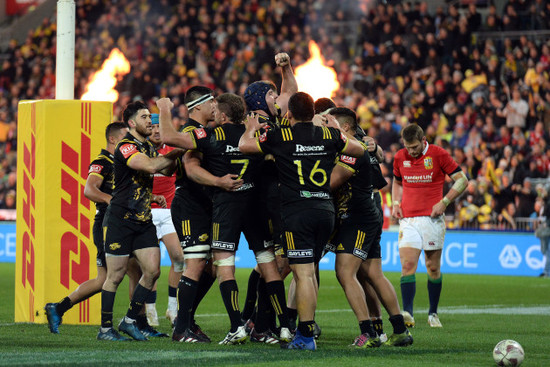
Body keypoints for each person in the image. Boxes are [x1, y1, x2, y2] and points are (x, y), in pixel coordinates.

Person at [239, 91, 366, 350]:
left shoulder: (281, 135)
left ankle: (305, 336)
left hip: (297, 212)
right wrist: (337, 129)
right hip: (325, 210)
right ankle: (305, 332)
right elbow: (359, 150)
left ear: (289, 114)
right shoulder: (329, 134)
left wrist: (249, 129)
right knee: (308, 274)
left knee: (303, 274)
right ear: (314, 114)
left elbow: (244, 146)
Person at [184, 93, 293, 345]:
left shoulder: (213, 136)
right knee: (268, 266)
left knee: (225, 268)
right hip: (255, 206)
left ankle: (237, 327)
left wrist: (165, 112)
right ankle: (285, 327)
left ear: (222, 115)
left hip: (227, 207)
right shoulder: (254, 135)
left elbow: (179, 148)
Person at [98, 101, 187, 341]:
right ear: (131, 123)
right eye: (144, 117)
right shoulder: (127, 146)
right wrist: (181, 148)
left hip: (143, 218)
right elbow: (149, 166)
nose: (150, 120)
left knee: (153, 271)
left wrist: (178, 152)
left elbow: (166, 170)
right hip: (121, 219)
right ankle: (105, 329)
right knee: (114, 276)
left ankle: (129, 320)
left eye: (150, 116)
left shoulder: (147, 146)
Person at [328, 107, 412, 348]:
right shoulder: (359, 145)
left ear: (343, 128)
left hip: (358, 218)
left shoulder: (351, 150)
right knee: (374, 274)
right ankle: (399, 330)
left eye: (328, 121)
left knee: (345, 273)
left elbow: (332, 182)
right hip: (369, 214)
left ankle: (368, 334)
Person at [44, 122, 128, 334]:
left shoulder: (119, 162)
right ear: (112, 139)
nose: (129, 142)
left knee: (107, 279)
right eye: (125, 137)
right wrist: (110, 200)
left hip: (120, 222)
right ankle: (133, 321)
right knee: (132, 271)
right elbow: (89, 190)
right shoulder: (103, 161)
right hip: (106, 224)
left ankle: (58, 308)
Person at [241, 52, 298, 337]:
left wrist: (286, 68)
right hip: (268, 204)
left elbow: (291, 93)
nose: (278, 98)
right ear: (261, 99)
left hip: (274, 202)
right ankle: (257, 322)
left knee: (272, 265)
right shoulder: (256, 126)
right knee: (279, 265)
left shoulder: (272, 121)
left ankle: (255, 320)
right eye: (272, 95)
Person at [392, 124, 467, 328]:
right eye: (408, 147)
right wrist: (396, 203)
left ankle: (433, 313)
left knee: (433, 267)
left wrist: (444, 201)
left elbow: (462, 180)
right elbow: (397, 182)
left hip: (432, 220)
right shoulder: (400, 157)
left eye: (415, 147)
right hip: (408, 220)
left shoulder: (438, 154)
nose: (412, 151)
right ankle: (408, 313)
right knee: (407, 266)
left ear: (423, 140)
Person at [157, 89, 219, 343]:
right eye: (211, 102)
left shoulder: (205, 131)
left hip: (204, 204)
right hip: (189, 204)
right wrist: (163, 108)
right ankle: (182, 328)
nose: (215, 106)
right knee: (194, 263)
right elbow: (167, 136)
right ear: (197, 107)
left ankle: (187, 319)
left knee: (212, 268)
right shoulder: (192, 131)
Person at [144, 113, 185, 326]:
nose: (157, 130)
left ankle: (172, 308)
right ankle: (150, 311)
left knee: (179, 258)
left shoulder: (173, 151)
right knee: (152, 267)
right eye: (152, 127)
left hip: (168, 211)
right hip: (146, 212)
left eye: (160, 126)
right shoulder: (140, 152)